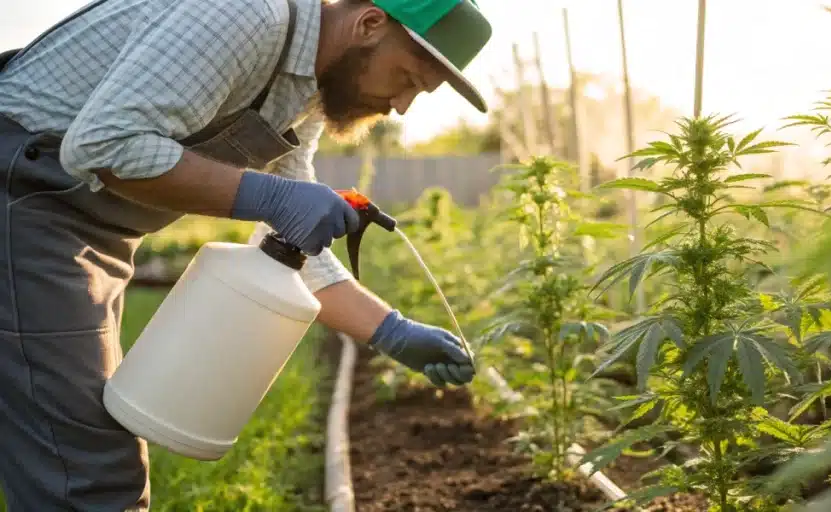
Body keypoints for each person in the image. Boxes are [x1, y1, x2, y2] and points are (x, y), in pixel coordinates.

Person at [0, 0, 492, 509]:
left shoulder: (299, 95)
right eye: (407, 77)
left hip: (71, 230)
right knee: (85, 476)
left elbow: (298, 237)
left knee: (58, 439)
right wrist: (272, 198)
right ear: (369, 23)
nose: (402, 106)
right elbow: (103, 146)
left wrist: (392, 332)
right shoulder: (245, 16)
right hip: (24, 202)